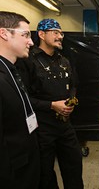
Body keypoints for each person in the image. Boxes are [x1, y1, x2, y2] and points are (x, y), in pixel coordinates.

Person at [16, 19, 83, 189]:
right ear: (41, 34)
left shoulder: (64, 61)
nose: (60, 36)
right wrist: (52, 105)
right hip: (42, 129)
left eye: (61, 33)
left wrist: (71, 101)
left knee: (74, 168)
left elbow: (73, 85)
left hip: (65, 126)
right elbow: (23, 98)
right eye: (55, 32)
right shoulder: (27, 61)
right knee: (44, 174)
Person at [0, 11, 40, 188]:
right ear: (4, 34)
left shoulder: (12, 69)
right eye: (25, 35)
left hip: (26, 164)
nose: (31, 42)